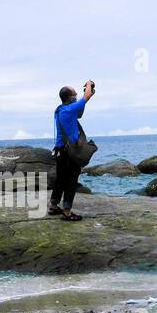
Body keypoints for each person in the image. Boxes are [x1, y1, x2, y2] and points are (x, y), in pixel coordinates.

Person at [49, 79, 96, 221]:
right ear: (70, 98)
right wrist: (88, 85)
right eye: (75, 94)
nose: (77, 96)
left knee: (61, 179)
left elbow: (80, 112)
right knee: (71, 180)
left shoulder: (61, 109)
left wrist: (89, 94)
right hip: (70, 153)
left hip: (60, 150)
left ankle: (54, 206)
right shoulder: (69, 110)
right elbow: (85, 98)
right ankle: (67, 211)